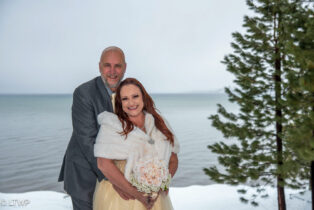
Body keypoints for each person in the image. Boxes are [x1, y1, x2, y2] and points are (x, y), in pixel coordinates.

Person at [58, 46, 130, 210]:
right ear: (99, 67)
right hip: (85, 177)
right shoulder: (84, 93)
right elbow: (88, 142)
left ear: (125, 67)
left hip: (116, 176)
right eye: (107, 65)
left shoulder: (129, 92)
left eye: (117, 66)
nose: (112, 71)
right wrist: (116, 180)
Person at [93, 78, 180, 210]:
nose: (131, 103)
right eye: (125, 99)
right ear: (119, 102)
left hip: (154, 195)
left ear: (143, 98)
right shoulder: (112, 125)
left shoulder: (159, 123)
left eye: (135, 96)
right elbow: (103, 163)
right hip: (121, 194)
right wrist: (138, 195)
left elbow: (173, 158)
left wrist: (163, 183)